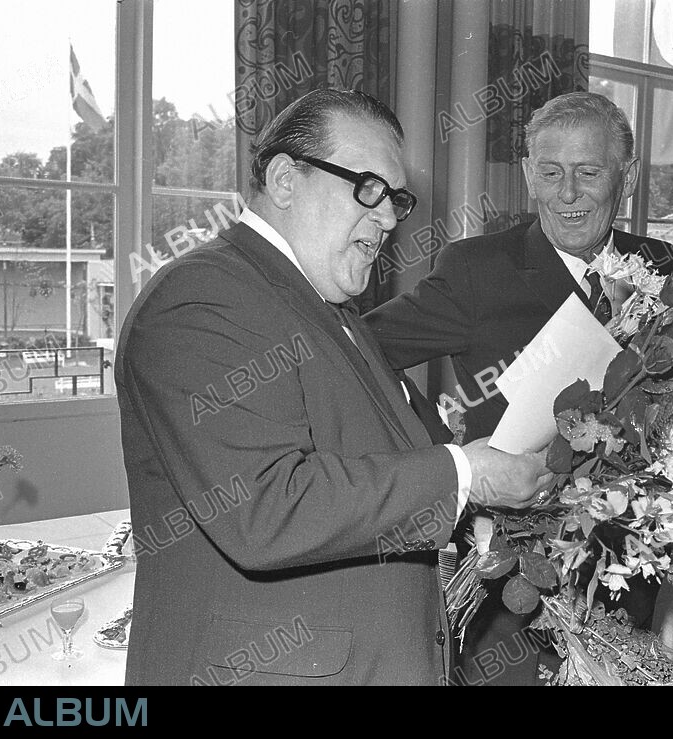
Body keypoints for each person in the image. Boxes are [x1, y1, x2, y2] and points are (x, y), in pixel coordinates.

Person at [115, 89, 552, 686]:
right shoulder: (201, 298)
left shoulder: (331, 307)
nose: (392, 218)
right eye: (369, 189)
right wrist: (467, 474)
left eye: (397, 199)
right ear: (286, 179)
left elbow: (402, 460)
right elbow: (265, 510)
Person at [365, 91, 673, 685]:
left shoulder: (663, 263)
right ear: (528, 176)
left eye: (588, 172)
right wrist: (445, 453)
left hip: (624, 566)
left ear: (628, 176)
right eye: (550, 172)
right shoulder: (477, 271)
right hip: (510, 583)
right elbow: (358, 353)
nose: (567, 193)